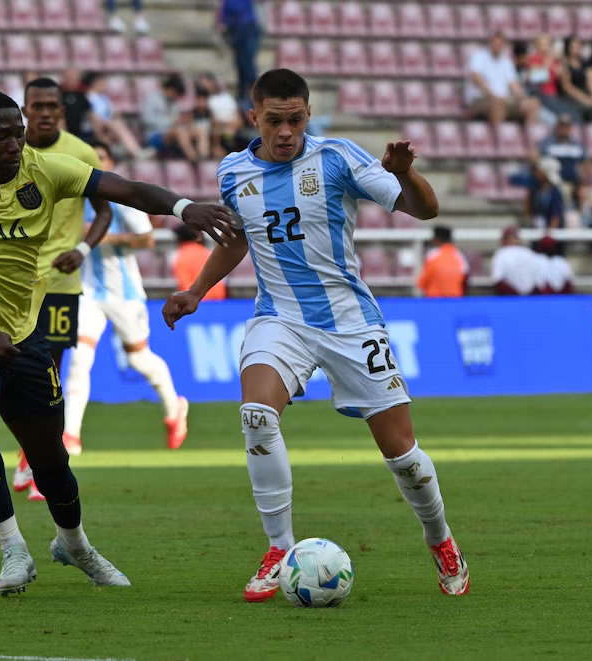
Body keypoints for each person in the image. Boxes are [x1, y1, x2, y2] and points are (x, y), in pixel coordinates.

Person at [0, 90, 233, 595]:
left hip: (24, 338)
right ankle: (13, 549)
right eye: (1, 135)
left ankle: (74, 545)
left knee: (50, 460)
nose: (14, 144)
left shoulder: (46, 170)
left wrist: (184, 207)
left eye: (19, 133)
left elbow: (126, 191)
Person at [162, 69, 469, 600]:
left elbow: (426, 209)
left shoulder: (337, 157)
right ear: (253, 116)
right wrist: (197, 289)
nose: (286, 131)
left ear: (308, 114)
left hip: (351, 322)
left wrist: (404, 173)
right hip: (279, 319)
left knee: (403, 455)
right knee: (257, 416)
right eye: (275, 120)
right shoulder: (233, 170)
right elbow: (238, 239)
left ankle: (440, 539)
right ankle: (280, 549)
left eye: (296, 119)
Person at [11, 77, 113, 502]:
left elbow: (105, 210)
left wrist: (83, 249)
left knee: (48, 374)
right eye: (38, 106)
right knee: (16, 377)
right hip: (15, 281)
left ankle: (44, 465)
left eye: (53, 105)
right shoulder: (10, 150)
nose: (47, 112)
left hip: (61, 281)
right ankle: (27, 452)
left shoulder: (80, 152)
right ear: (26, 110)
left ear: (62, 110)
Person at [63, 140, 188, 456]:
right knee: (79, 360)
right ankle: (71, 436)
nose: (94, 162)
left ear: (110, 161)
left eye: (100, 157)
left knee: (138, 358)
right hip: (87, 292)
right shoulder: (74, 197)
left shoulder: (120, 199)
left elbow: (147, 239)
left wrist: (100, 238)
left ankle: (174, 407)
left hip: (125, 294)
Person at [465, 32, 540, 127]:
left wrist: (523, 99)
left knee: (533, 104)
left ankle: (529, 139)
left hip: (504, 100)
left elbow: (514, 85)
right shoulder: (479, 57)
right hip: (481, 99)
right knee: (497, 105)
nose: (497, 46)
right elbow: (476, 78)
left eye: (500, 44)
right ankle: (499, 138)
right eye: (495, 43)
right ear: (490, 43)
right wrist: (492, 95)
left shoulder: (506, 62)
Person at [140, 74, 205, 161]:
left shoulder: (174, 103)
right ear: (170, 89)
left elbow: (176, 121)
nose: (176, 96)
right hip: (155, 135)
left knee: (200, 130)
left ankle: (204, 157)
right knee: (180, 131)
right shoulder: (152, 99)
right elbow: (146, 119)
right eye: (176, 93)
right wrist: (171, 122)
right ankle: (194, 158)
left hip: (172, 132)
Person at [82, 72, 145, 160]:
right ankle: (136, 152)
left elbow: (113, 113)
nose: (104, 84)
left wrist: (116, 116)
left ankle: (113, 155)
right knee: (116, 126)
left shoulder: (104, 97)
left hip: (108, 126)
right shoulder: (88, 97)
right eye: (101, 82)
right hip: (92, 126)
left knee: (116, 127)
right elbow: (92, 116)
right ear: (94, 83)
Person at [537, 115, 589, 209]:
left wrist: (583, 176)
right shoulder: (548, 143)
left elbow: (586, 162)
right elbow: (536, 157)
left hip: (574, 182)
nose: (563, 129)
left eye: (566, 127)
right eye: (561, 126)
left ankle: (581, 219)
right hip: (555, 182)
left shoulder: (576, 145)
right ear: (557, 127)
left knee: (585, 194)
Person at [559, 35, 592, 123]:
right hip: (571, 99)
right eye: (575, 46)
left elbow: (591, 84)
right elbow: (568, 88)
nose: (578, 48)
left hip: (585, 95)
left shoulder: (585, 64)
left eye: (580, 45)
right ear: (568, 48)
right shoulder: (564, 64)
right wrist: (586, 100)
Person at [218, 0, 261, 103]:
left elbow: (239, 13)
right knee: (241, 64)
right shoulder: (226, 2)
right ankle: (244, 94)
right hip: (236, 31)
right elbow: (223, 19)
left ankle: (252, 92)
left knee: (247, 63)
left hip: (247, 29)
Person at [172, 224, 226, 300]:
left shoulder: (180, 256)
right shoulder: (207, 252)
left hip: (197, 299)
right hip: (219, 297)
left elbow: (184, 285)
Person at [417, 226, 468, 298]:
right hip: (455, 299)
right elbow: (465, 281)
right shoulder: (459, 256)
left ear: (437, 239)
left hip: (434, 299)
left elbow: (422, 282)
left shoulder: (433, 255)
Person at [491, 226, 540, 295]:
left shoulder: (501, 253)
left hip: (512, 299)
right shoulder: (529, 252)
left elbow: (497, 280)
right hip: (529, 297)